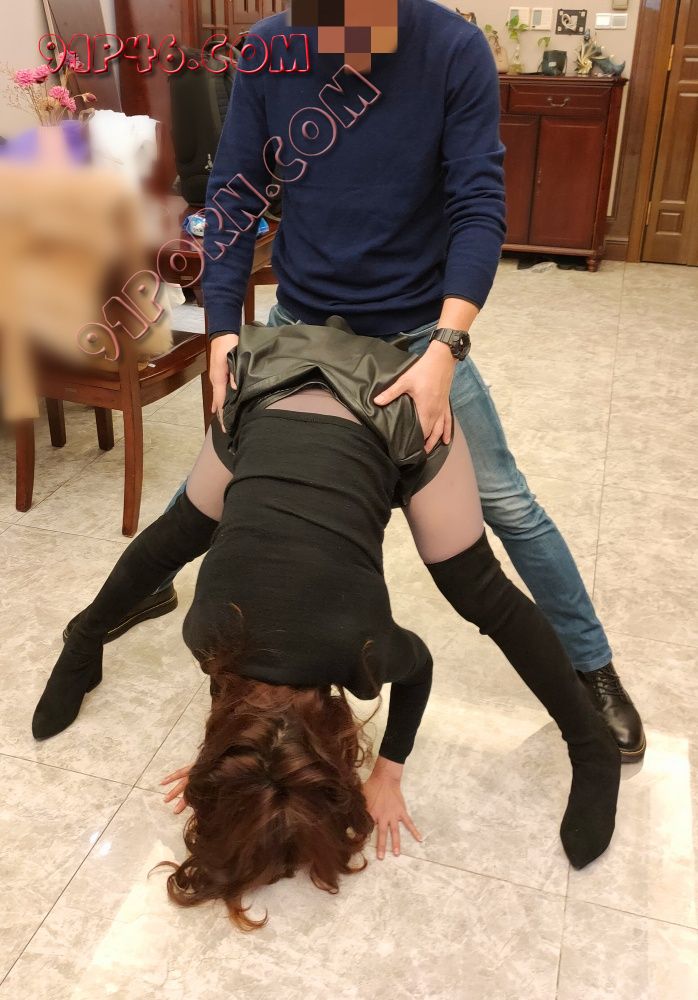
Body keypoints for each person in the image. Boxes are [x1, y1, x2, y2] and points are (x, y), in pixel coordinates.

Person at [122, 0, 644, 760]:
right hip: (302, 331)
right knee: (217, 475)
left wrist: (446, 348)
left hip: (415, 337)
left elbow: (478, 207)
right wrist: (224, 331)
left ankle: (591, 665)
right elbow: (234, 192)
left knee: (505, 502)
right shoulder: (270, 50)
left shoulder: (453, 50)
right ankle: (143, 585)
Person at [33, 319, 620, 929]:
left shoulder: (360, 650)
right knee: (179, 532)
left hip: (385, 399)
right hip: (270, 378)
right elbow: (237, 677)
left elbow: (418, 669)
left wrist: (386, 770)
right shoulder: (206, 634)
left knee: (479, 590)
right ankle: (83, 643)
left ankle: (591, 745)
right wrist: (231, 766)